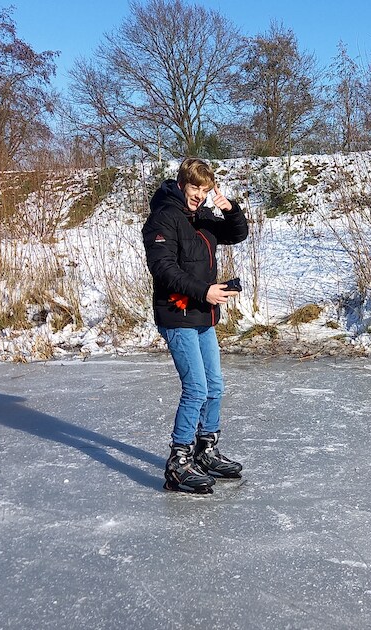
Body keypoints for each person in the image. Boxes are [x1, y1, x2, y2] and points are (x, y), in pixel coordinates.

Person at [142, 157, 249, 494]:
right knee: (197, 389)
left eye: (204, 190)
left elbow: (237, 234)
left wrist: (230, 209)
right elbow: (164, 269)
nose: (199, 196)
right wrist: (205, 290)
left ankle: (206, 451)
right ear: (181, 184)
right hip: (177, 314)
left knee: (215, 385)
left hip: (203, 314)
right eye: (194, 188)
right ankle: (178, 463)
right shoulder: (163, 217)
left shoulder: (201, 215)